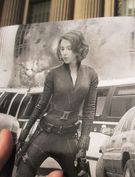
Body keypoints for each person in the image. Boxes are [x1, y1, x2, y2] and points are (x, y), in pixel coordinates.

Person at [16, 30, 98, 177]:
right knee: (22, 172)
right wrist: (25, 133)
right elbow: (40, 106)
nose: (64, 53)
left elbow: (89, 110)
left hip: (69, 138)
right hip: (45, 133)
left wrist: (83, 143)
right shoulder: (53, 74)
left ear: (78, 49)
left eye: (68, 48)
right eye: (62, 49)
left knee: (81, 174)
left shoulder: (91, 75)